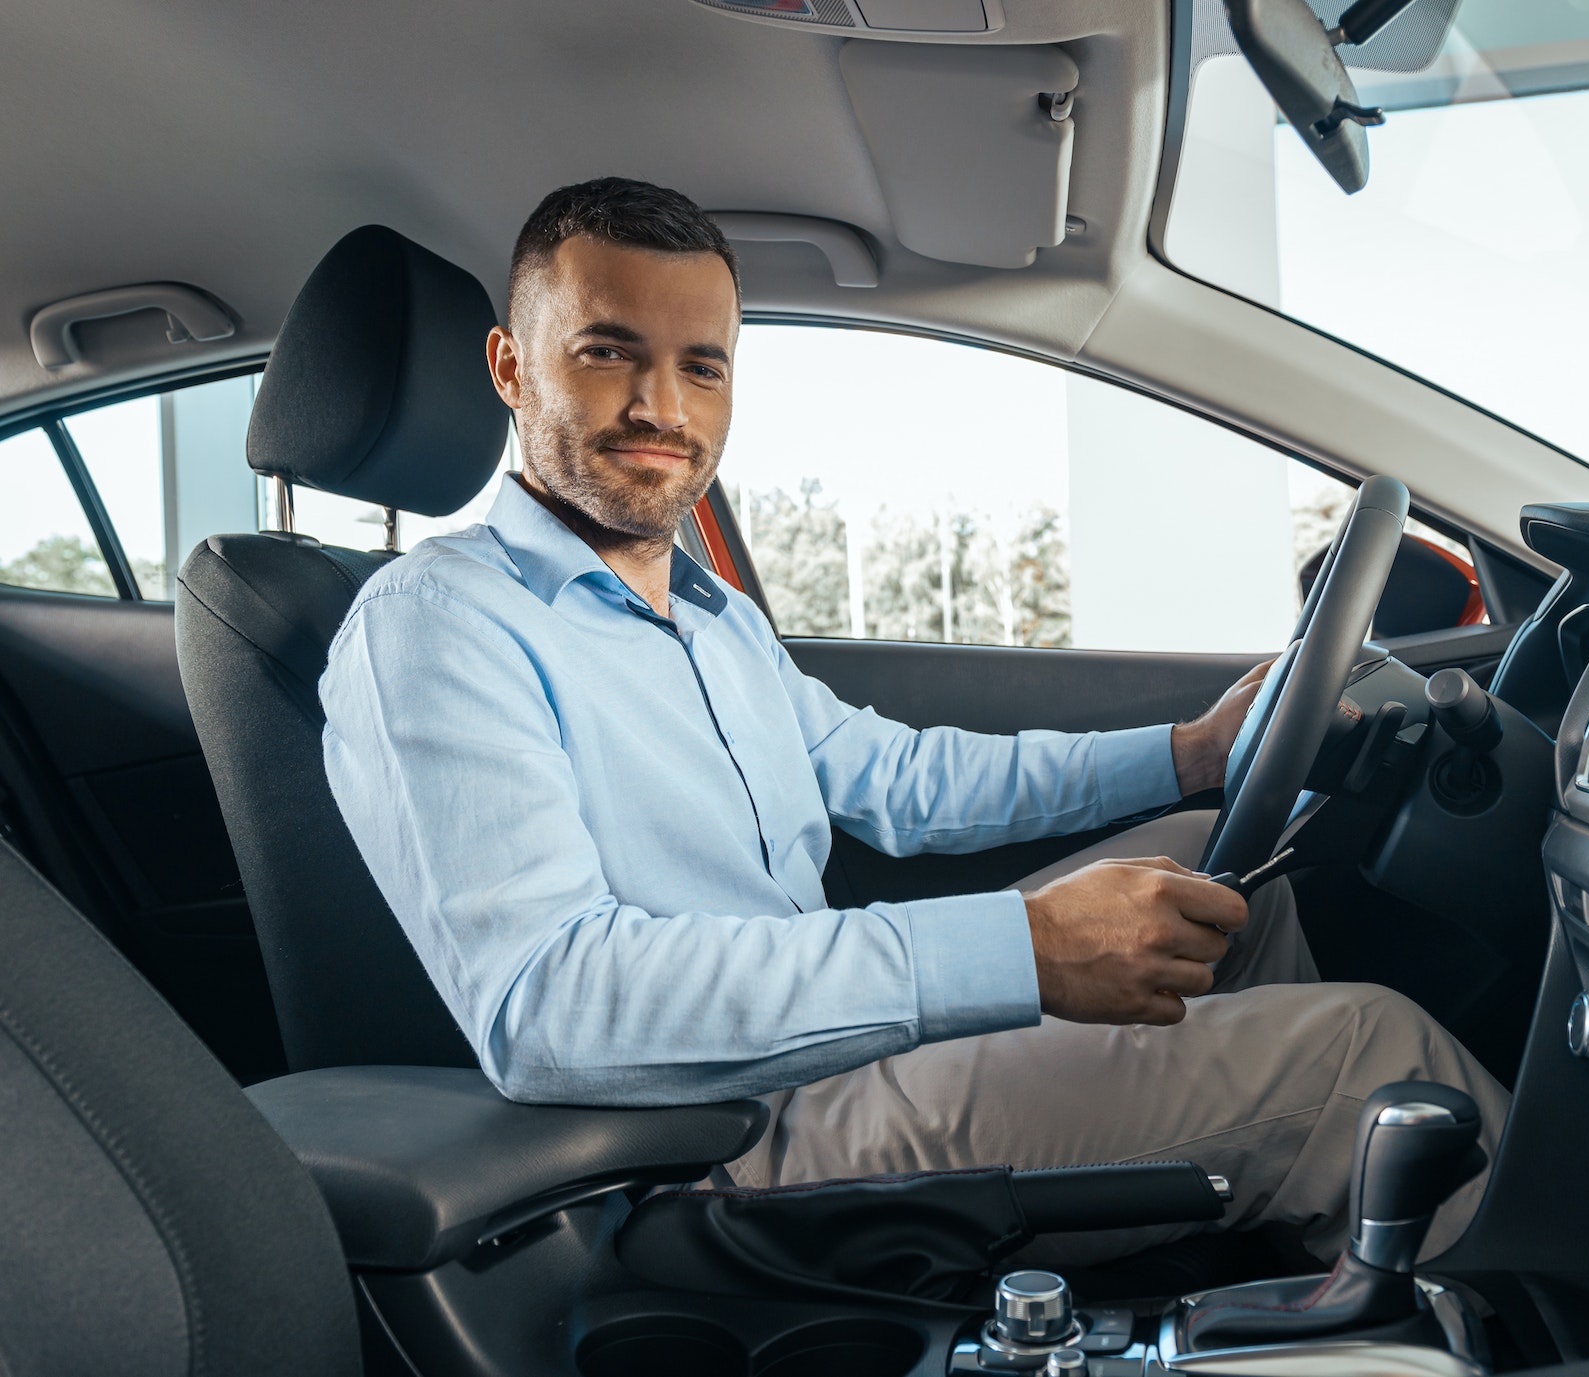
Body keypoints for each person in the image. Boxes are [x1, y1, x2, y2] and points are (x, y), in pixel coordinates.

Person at [321, 177, 1509, 1268]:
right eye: (605, 352)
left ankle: (1286, 1249)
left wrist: (1185, 755)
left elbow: (902, 781)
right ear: (510, 367)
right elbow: (554, 1006)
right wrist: (1021, 948)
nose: (660, 406)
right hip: (717, 1142)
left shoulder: (709, 617)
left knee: (1218, 882)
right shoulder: (438, 624)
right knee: (1370, 1057)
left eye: (702, 366)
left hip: (831, 1052)